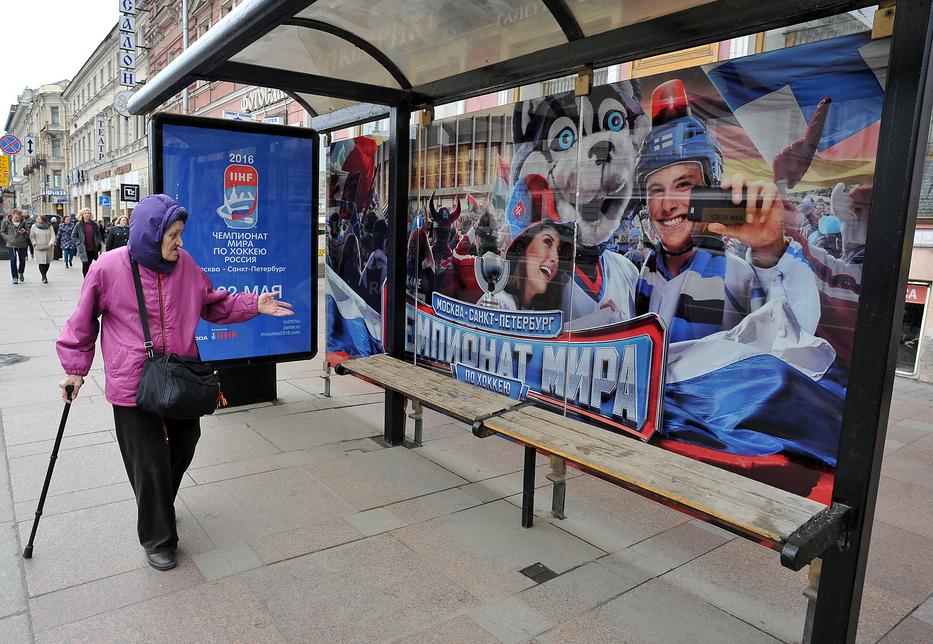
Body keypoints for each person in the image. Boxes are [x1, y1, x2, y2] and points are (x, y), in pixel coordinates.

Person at [56, 194, 294, 572]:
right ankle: (158, 537)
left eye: (181, 234)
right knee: (148, 461)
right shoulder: (107, 268)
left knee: (186, 442)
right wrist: (75, 369)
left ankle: (158, 505)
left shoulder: (186, 266)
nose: (180, 243)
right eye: (173, 235)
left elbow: (213, 304)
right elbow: (82, 323)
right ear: (151, 235)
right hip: (132, 381)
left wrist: (253, 304)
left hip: (180, 374)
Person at [633, 79, 819, 341]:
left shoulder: (736, 275)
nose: (667, 204)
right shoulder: (646, 272)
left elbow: (792, 342)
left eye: (683, 184)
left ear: (711, 187)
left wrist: (770, 251)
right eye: (656, 191)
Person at [486, 220, 573, 311]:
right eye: (547, 242)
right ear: (524, 249)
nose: (555, 259)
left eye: (558, 251)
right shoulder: (497, 301)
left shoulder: (545, 309)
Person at [1, 209, 30, 284]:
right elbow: (2, 231)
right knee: (13, 260)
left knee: (22, 260)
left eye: (19, 217)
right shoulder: (6, 222)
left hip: (22, 244)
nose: (17, 219)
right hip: (11, 244)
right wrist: (8, 238)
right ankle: (14, 277)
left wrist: (24, 232)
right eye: (16, 217)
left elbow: (28, 232)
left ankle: (21, 272)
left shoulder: (24, 222)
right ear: (12, 215)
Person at [72, 208, 103, 277]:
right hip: (83, 249)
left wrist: (99, 244)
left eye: (88, 213)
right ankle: (86, 280)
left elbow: (98, 235)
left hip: (93, 248)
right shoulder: (79, 224)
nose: (87, 215)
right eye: (85, 213)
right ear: (82, 215)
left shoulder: (94, 224)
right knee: (85, 264)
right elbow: (74, 235)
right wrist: (78, 243)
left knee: (90, 264)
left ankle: (90, 279)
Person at [28, 214, 56, 283]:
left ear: (44, 219)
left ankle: (45, 273)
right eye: (38, 219)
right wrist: (34, 244)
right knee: (41, 262)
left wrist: (51, 243)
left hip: (49, 247)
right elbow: (32, 237)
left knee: (47, 262)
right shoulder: (33, 227)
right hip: (39, 247)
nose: (39, 220)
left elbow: (53, 235)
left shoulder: (49, 226)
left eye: (40, 219)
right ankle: (44, 276)